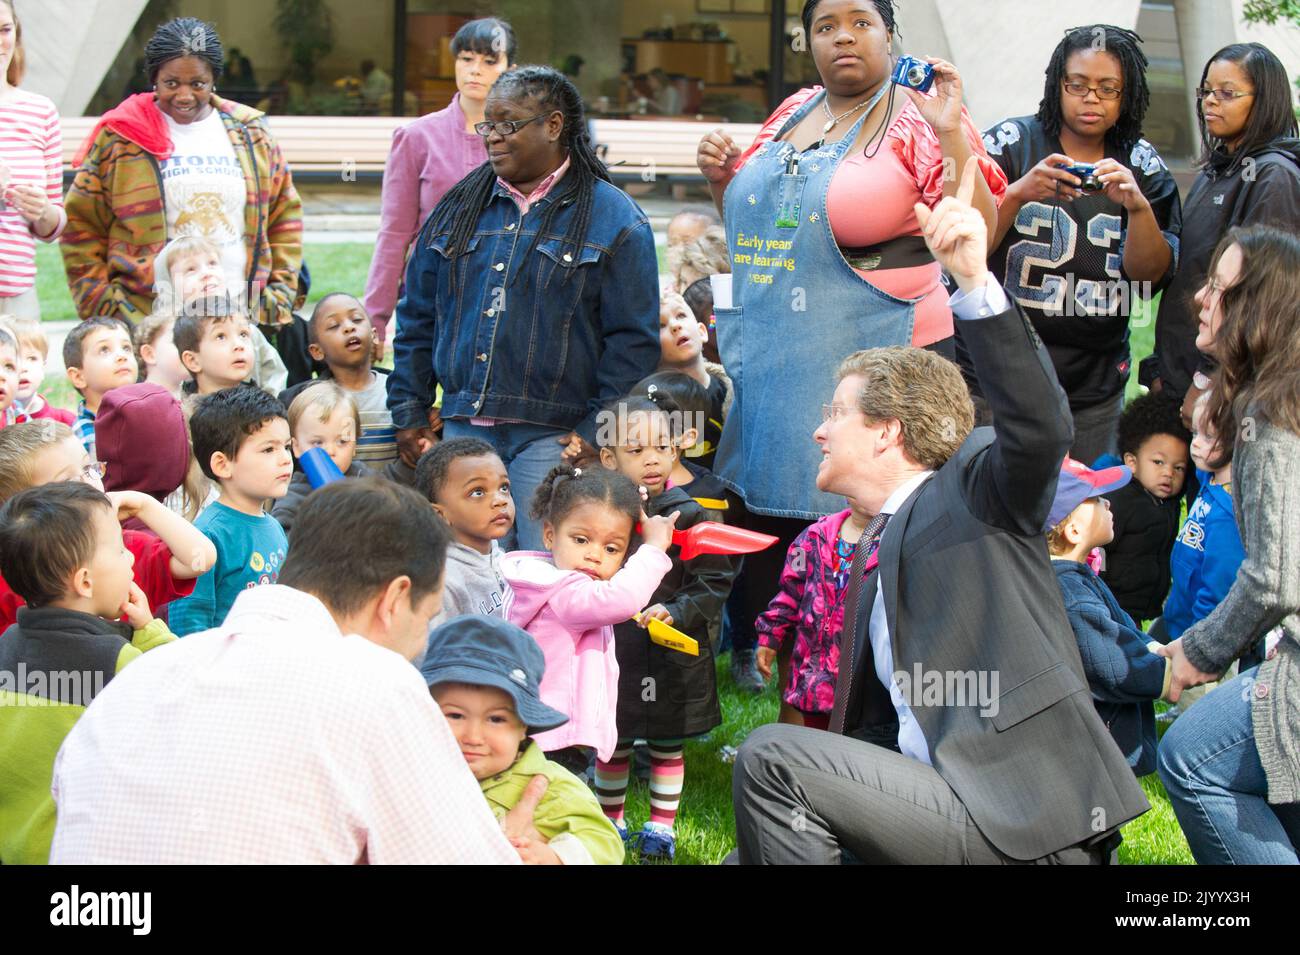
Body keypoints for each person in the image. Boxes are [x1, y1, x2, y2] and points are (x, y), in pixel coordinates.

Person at [729, 157, 1148, 865]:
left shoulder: (975, 489)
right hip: (934, 807)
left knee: (772, 756)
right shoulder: (865, 545)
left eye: (836, 413)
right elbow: (868, 736)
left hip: (1023, 825)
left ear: (890, 429)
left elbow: (1042, 427)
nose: (819, 431)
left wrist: (975, 283)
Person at [695, 0, 1007, 708]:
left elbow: (977, 226)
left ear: (891, 35)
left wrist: (952, 133)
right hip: (780, 345)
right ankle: (772, 654)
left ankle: (864, 673)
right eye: (825, 24)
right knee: (771, 508)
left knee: (862, 518)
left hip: (885, 349)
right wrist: (723, 183)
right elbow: (766, 232)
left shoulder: (918, 113)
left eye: (860, 22)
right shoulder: (792, 111)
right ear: (806, 39)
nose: (842, 37)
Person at [48, 479, 527, 864]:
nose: (422, 642)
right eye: (427, 619)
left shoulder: (140, 677)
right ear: (396, 599)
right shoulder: (376, 682)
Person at [386, 66, 661, 552]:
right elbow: (417, 315)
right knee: (466, 574)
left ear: (554, 126)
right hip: (463, 427)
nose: (491, 137)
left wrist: (596, 429)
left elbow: (633, 343)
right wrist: (408, 409)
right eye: (486, 126)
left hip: (555, 437)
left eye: (507, 124)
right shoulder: (459, 207)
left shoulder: (616, 218)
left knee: (544, 574)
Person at [1156, 225, 1300, 865]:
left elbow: (1274, 578)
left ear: (1257, 309)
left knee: (1189, 757)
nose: (1200, 298)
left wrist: (1196, 652)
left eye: (1219, 287)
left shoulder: (1271, 413)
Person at [973, 24, 1180, 462]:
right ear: (1057, 84)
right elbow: (965, 249)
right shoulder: (1011, 144)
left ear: (1127, 95)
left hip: (1093, 381)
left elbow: (1149, 279)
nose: (1092, 99)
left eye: (1108, 89)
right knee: (991, 508)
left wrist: (1138, 209)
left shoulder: (1142, 164)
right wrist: (1017, 193)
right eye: (1079, 85)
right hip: (996, 374)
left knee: (1081, 510)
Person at [61, 17, 303, 333]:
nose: (185, 95)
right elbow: (80, 224)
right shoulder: (123, 136)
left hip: (240, 316)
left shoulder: (250, 131)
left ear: (213, 80)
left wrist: (278, 295)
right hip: (149, 319)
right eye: (171, 83)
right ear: (154, 80)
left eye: (197, 84)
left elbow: (285, 215)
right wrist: (107, 308)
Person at [0, 481, 177, 864]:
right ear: (84, 581)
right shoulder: (116, 662)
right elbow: (183, 697)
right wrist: (150, 632)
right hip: (79, 855)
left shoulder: (6, 646)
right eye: (120, 549)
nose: (130, 559)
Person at [594, 391, 734, 860]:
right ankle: (610, 823)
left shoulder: (691, 513)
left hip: (673, 653)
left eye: (661, 447)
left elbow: (715, 580)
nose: (652, 460)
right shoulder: (599, 514)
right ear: (609, 457)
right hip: (615, 650)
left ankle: (661, 826)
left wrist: (675, 610)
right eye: (635, 451)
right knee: (613, 742)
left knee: (667, 743)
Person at [1147, 42, 1300, 422]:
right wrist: (1161, 367)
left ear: (1263, 100)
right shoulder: (1219, 168)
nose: (1210, 102)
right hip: (1177, 376)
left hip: (1220, 395)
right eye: (1206, 91)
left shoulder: (1272, 176)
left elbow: (1256, 298)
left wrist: (1205, 380)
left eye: (1227, 93)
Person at [501, 466, 675, 776]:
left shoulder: (543, 579)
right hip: (549, 737)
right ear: (549, 534)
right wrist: (653, 549)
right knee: (560, 813)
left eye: (611, 548)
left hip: (538, 729)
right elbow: (621, 599)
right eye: (581, 540)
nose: (594, 555)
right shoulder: (565, 593)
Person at [364, 17, 517, 359]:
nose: (475, 70)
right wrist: (375, 319)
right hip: (428, 296)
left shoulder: (523, 140)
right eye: (466, 58)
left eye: (489, 61)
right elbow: (394, 233)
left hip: (505, 301)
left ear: (510, 68)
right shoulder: (417, 137)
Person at [423, 614, 625, 865]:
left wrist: (556, 857)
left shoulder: (550, 786)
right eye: (455, 715)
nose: (473, 737)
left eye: (496, 719)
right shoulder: (414, 776)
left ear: (523, 726)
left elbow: (606, 842)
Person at [0, 421, 216, 631]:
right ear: (21, 508)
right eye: (67, 481)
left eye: (88, 468)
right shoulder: (13, 576)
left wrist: (144, 505)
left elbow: (200, 560)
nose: (90, 483)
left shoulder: (122, 548)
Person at [1047, 458, 1170, 776]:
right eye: (1098, 499)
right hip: (1094, 758)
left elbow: (1121, 627)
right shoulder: (1071, 594)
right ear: (1074, 531)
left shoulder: (1071, 575)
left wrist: (1156, 648)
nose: (1109, 503)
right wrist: (1166, 673)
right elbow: (1112, 664)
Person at [168, 387, 291, 636]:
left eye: (286, 446)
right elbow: (188, 621)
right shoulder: (207, 536)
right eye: (269, 449)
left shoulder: (273, 526)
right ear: (222, 465)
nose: (285, 459)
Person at [755, 498, 873, 730]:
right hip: (815, 675)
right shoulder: (812, 537)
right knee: (813, 738)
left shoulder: (895, 539)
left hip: (862, 681)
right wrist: (770, 635)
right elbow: (790, 589)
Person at [1156, 392, 1244, 647]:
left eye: (1208, 436)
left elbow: (1219, 587)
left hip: (1198, 638)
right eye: (1195, 433)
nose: (1194, 444)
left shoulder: (1228, 514)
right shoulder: (1210, 480)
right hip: (1178, 618)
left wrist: (1197, 644)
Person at [152, 235, 289, 395]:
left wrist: (270, 410)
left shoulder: (242, 327)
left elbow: (272, 374)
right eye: (190, 270)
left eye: (212, 264)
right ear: (168, 285)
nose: (206, 274)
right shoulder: (167, 339)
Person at [280, 293, 399, 474]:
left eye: (356, 320)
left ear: (374, 334)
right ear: (317, 351)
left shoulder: (400, 391)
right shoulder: (304, 402)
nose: (349, 328)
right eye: (334, 325)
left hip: (395, 496)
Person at [0, 0, 66, 320]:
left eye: (4, 30)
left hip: (18, 293)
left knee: (24, 370)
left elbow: (53, 224)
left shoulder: (41, 112)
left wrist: (43, 211)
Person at [1099, 393, 1189, 624]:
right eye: (1158, 462)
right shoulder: (1119, 501)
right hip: (1111, 608)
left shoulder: (1167, 502)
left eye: (1178, 467)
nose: (1168, 473)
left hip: (1137, 613)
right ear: (1131, 462)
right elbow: (1097, 551)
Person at [414, 437, 514, 633]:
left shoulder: (506, 561)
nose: (500, 500)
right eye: (478, 492)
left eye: (503, 487)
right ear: (439, 514)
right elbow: (433, 653)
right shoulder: (444, 582)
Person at [272, 383, 372, 536]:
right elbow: (284, 544)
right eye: (317, 443)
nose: (330, 451)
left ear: (355, 444)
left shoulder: (369, 481)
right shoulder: (292, 499)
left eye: (342, 442)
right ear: (296, 447)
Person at [655, 293, 730, 471]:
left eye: (681, 315)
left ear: (702, 332)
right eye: (661, 325)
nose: (675, 326)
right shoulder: (653, 402)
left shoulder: (730, 391)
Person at [62, 317, 139, 458]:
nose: (122, 356)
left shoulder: (144, 414)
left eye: (126, 348)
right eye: (104, 350)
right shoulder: (86, 439)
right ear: (79, 377)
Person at [0, 316, 74, 425]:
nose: (22, 368)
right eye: (9, 365)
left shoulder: (64, 421)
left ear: (43, 367)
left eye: (32, 358)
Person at [132, 311, 189, 397]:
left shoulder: (196, 402)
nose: (190, 349)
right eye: (178, 341)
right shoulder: (134, 404)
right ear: (149, 354)